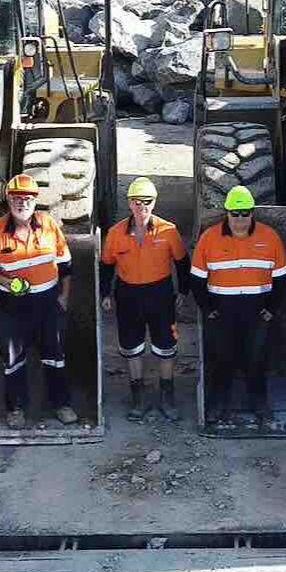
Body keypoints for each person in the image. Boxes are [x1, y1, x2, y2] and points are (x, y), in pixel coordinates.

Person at [0, 173, 78, 428]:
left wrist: (64, 297)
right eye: (17, 198)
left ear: (35, 201)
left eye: (27, 198)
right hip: (11, 308)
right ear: (8, 200)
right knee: (13, 360)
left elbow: (65, 265)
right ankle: (16, 409)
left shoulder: (49, 226)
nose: (22, 203)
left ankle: (61, 405)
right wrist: (5, 282)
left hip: (48, 305)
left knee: (55, 356)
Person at [190, 185, 286, 422]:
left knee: (256, 359)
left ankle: (259, 403)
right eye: (235, 214)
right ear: (227, 213)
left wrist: (270, 310)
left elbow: (282, 278)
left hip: (257, 313)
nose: (240, 219)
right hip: (223, 313)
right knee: (222, 359)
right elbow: (196, 279)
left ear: (252, 213)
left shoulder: (270, 237)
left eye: (245, 213)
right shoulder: (209, 239)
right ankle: (217, 403)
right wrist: (209, 310)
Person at [100, 177, 191, 422]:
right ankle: (138, 398)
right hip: (128, 294)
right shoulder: (115, 233)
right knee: (132, 347)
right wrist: (105, 293)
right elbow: (106, 266)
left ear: (154, 203)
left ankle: (167, 396)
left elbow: (183, 263)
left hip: (160, 294)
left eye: (147, 202)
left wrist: (183, 291)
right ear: (129, 203)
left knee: (165, 346)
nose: (142, 207)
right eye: (137, 202)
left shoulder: (168, 231)